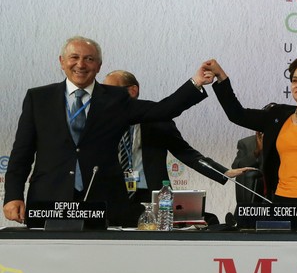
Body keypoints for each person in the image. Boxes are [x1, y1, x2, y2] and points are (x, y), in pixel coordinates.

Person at [3, 36, 214, 224]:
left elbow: (162, 110)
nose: (81, 64)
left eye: (89, 59)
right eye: (74, 57)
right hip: (49, 198)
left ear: (99, 65)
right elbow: (22, 151)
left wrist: (196, 82)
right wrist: (13, 195)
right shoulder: (38, 98)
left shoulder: (116, 99)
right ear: (61, 62)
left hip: (104, 201)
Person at [203, 56, 297, 222]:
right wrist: (220, 77)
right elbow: (237, 115)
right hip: (282, 203)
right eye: (294, 80)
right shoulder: (277, 115)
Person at [103, 70, 254, 224]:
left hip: (151, 198)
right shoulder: (101, 121)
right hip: (111, 196)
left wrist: (223, 172)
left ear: (132, 91)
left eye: (109, 91)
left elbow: (186, 153)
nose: (104, 97)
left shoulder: (157, 119)